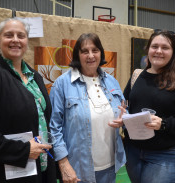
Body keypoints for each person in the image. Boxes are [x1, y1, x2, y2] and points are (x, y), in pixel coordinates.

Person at [0, 18, 57, 183]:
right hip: (1, 175)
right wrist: (23, 150)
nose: (15, 40)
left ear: (27, 41)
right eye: (9, 35)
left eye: (21, 35)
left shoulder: (35, 78)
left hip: (38, 171)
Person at [123, 30, 175, 183]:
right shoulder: (137, 76)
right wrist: (121, 115)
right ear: (148, 49)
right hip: (133, 151)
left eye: (165, 47)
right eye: (154, 46)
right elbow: (125, 104)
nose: (159, 51)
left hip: (168, 154)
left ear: (174, 52)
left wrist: (164, 124)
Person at [49, 33, 126, 183]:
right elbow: (54, 127)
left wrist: (125, 118)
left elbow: (123, 111)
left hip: (110, 167)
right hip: (77, 170)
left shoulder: (112, 82)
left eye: (95, 50)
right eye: (85, 51)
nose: (90, 55)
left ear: (101, 53)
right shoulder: (62, 84)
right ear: (78, 55)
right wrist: (63, 164)